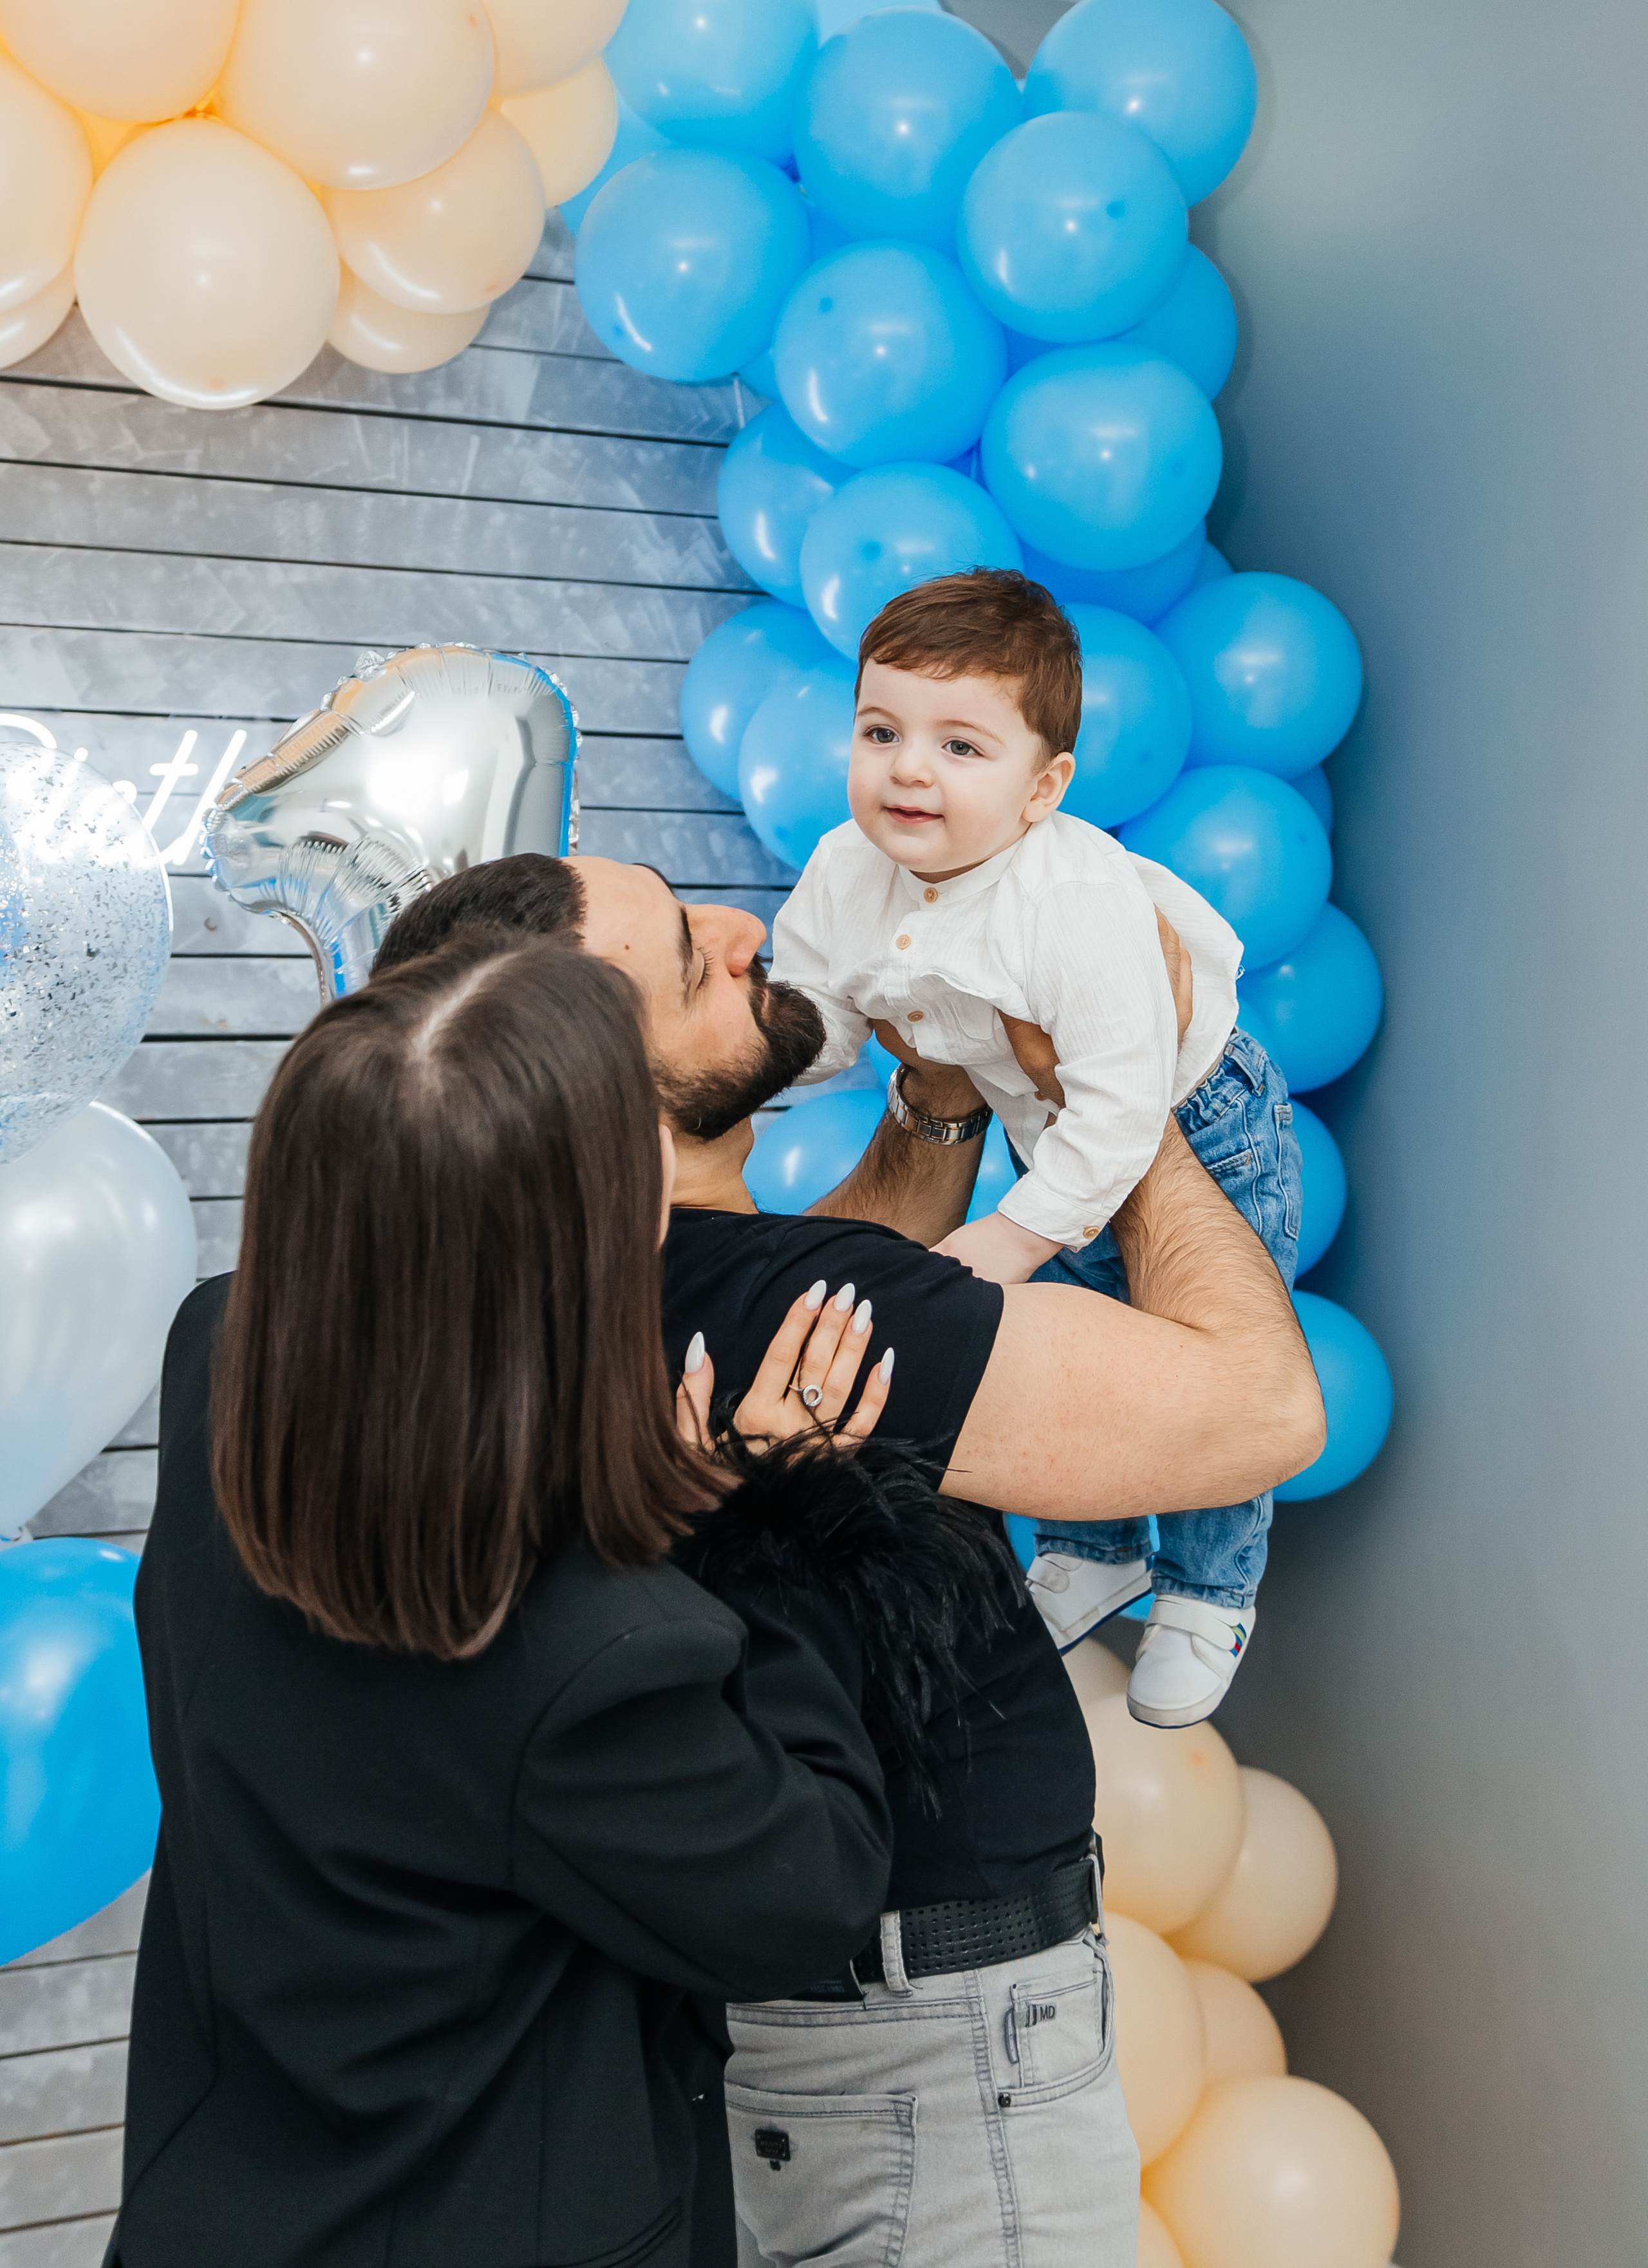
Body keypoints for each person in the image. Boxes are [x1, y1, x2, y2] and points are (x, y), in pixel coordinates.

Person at [371, 855, 1324, 2268]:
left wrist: (939, 1091)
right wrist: (1117, 1085)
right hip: (931, 2067)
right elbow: (1258, 1410)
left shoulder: (575, 1294)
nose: (744, 930)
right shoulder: (767, 1307)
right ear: (594, 1090)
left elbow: (841, 1268)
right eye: (692, 961)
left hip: (811, 2038)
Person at [113, 933, 918, 2268]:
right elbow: (812, 1884)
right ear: (593, 1239)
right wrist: (765, 1511)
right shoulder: (589, 1659)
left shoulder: (218, 1357)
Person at [771, 568, 1304, 1729]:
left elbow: (1119, 1112)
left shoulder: (1071, 902)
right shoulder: (842, 868)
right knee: (1082, 1318)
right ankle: (1092, 1542)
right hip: (1040, 1122)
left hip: (1193, 1113)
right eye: (881, 730)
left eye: (962, 747)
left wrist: (1010, 1234)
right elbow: (817, 1020)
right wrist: (754, 1057)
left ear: (1041, 788)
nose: (908, 768)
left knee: (1190, 1343)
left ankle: (1211, 1586)